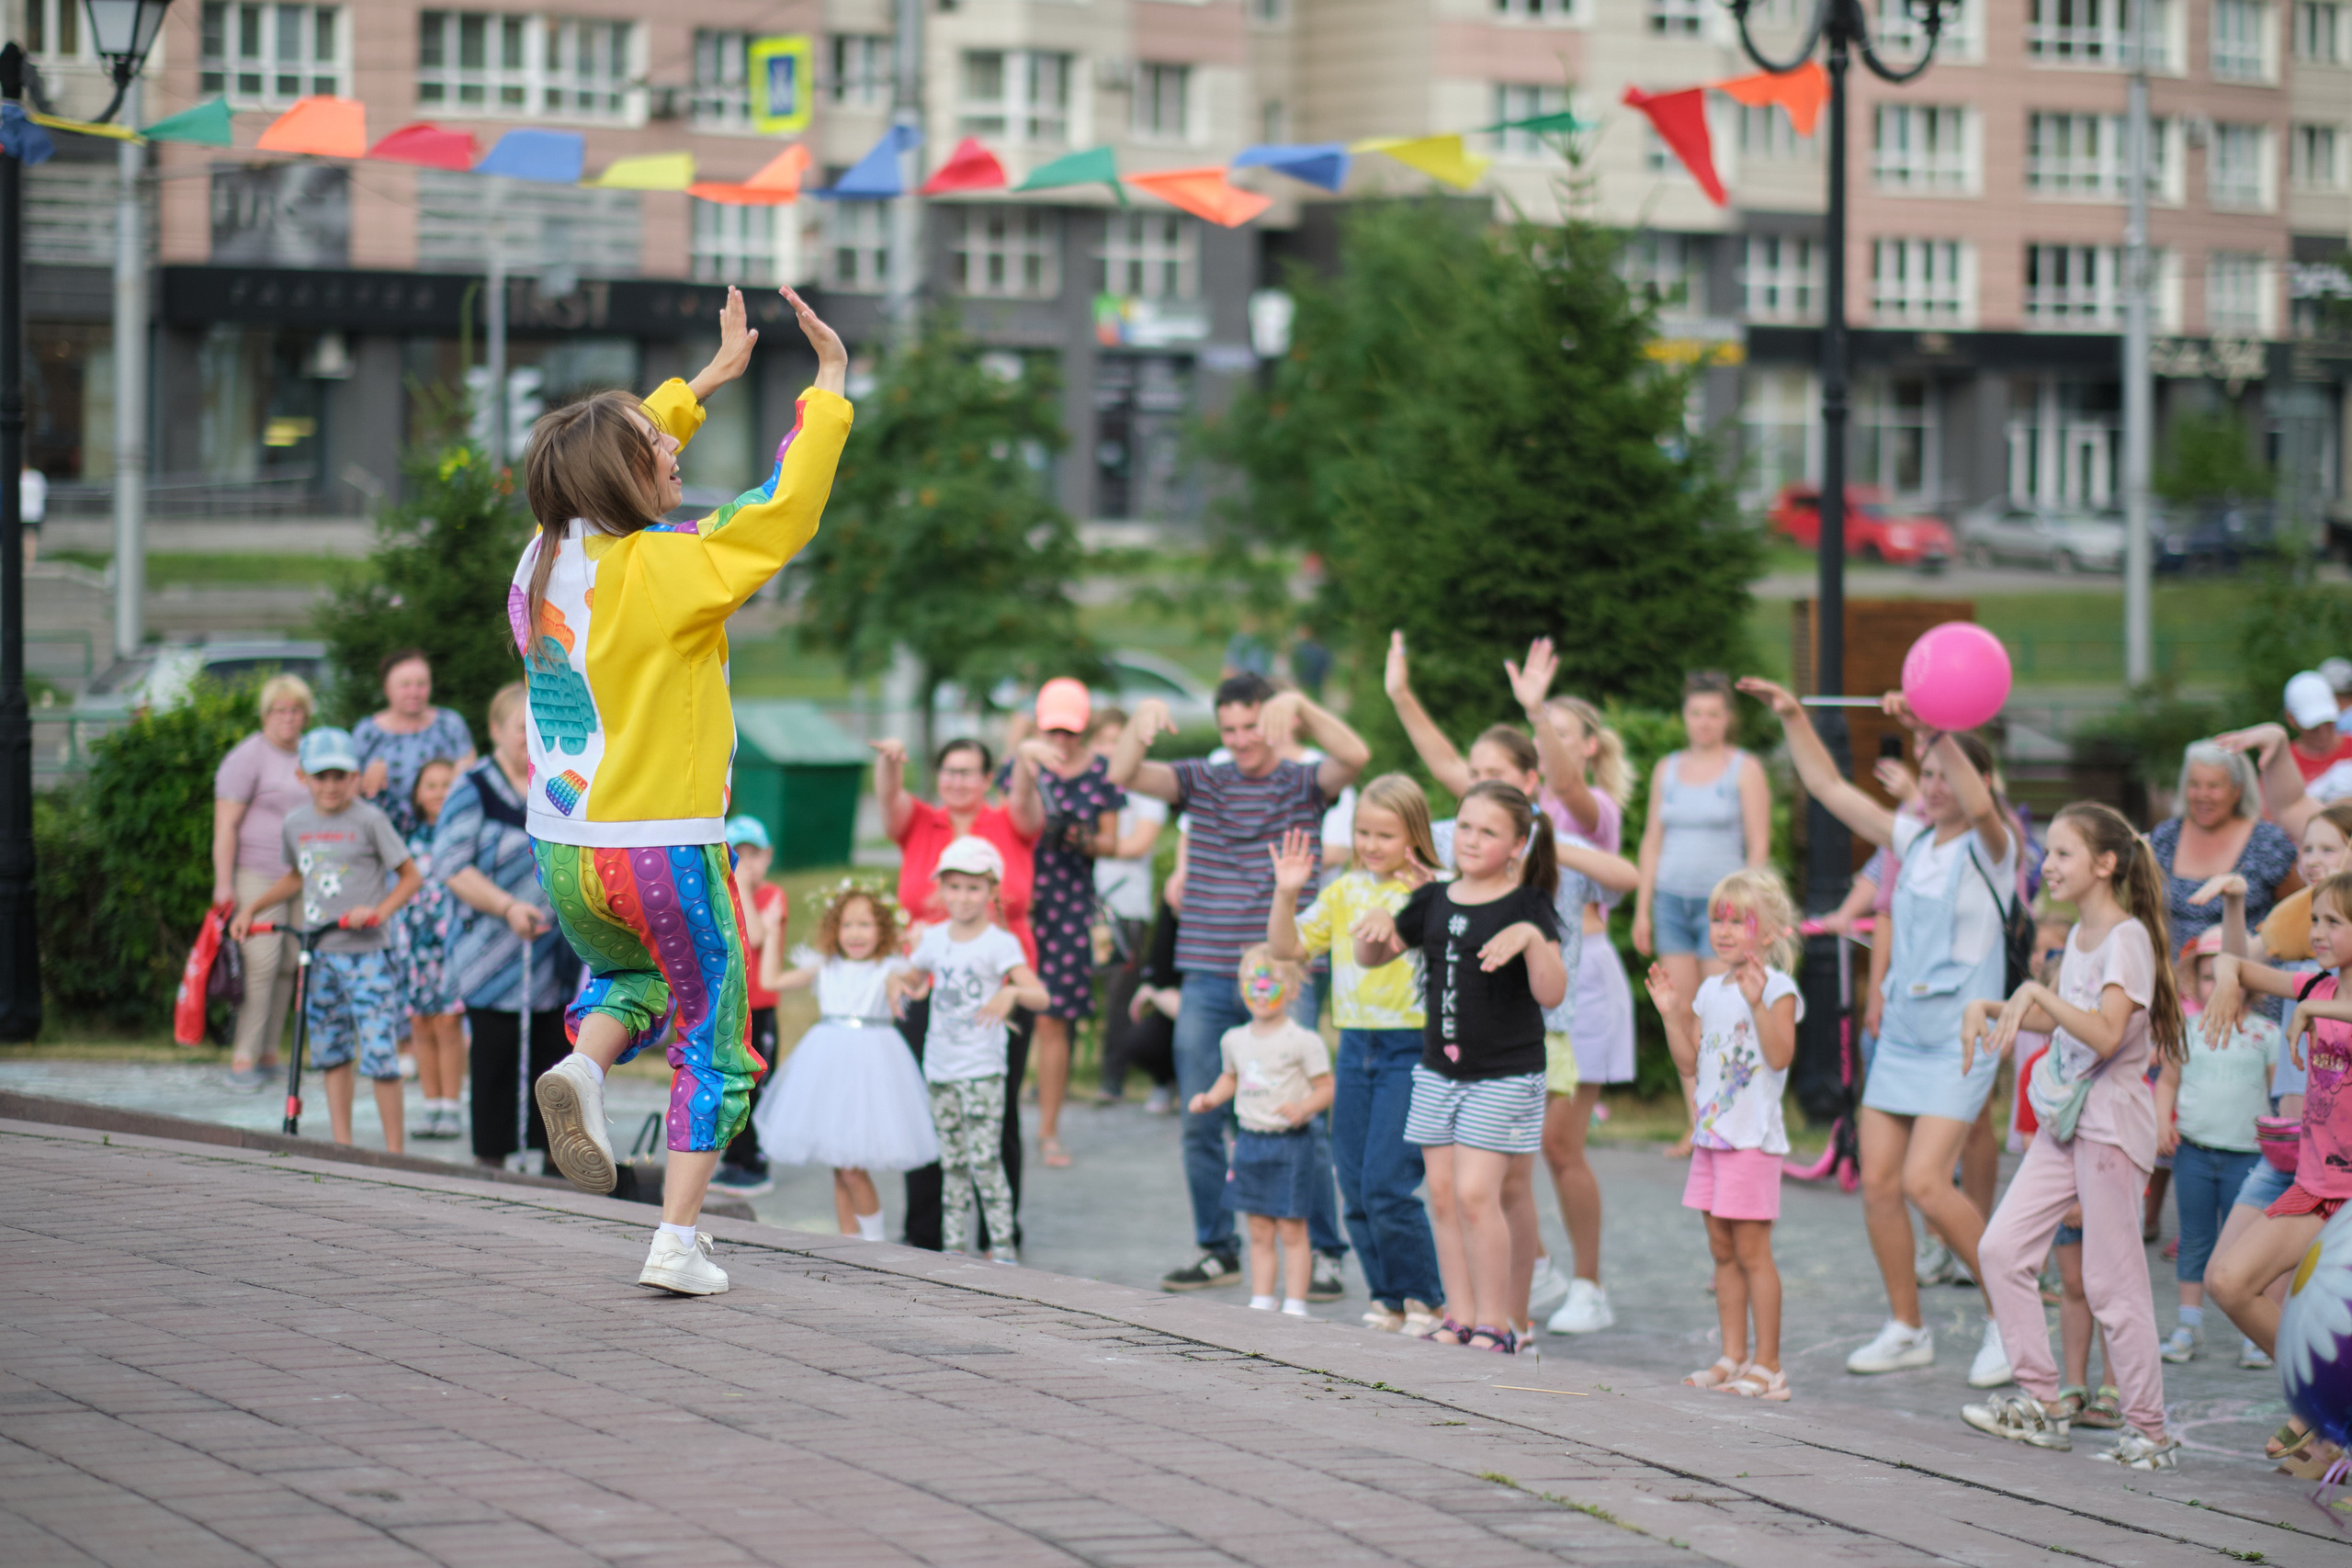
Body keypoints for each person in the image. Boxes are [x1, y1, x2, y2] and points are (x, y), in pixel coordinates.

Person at [515, 282, 849, 1296]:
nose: (675, 457)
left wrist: (699, 385)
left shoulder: (541, 559)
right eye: (661, 453)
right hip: (664, 844)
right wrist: (827, 388)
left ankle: (585, 1065)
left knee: (634, 978)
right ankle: (675, 1240)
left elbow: (599, 455)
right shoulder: (672, 567)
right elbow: (780, 510)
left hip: (567, 851)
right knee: (717, 1039)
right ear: (622, 477)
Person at [1739, 677, 2017, 1384]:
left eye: (1942, 771)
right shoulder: (1911, 837)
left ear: (1977, 776)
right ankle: (1906, 1326)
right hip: (1902, 1033)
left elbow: (1979, 802)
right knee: (1880, 1184)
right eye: (1922, 774)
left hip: (1963, 1036)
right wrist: (1794, 716)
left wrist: (1937, 726)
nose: (1931, 784)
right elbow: (1830, 787)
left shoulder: (1995, 846)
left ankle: (2011, 1322)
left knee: (1928, 1182)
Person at [1385, 633, 1640, 1333]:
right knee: (1486, 1185)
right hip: (1485, 1028)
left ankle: (1547, 1298)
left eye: (1494, 772)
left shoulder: (1570, 817)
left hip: (1556, 1013)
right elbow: (1441, 771)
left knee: (1538, 1164)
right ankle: (1496, 1310)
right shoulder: (1477, 832)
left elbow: (1567, 795)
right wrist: (1401, 694)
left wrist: (1534, 719)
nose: (1470, 783)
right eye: (1472, 775)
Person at [1106, 675, 1370, 1297]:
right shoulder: (1203, 779)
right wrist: (1140, 720)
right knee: (1201, 1116)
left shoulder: (1303, 782)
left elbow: (1356, 756)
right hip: (1205, 970)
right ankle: (1216, 1248)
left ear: (1274, 724)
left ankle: (1326, 1254)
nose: (1241, 740)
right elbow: (1124, 775)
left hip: (1283, 972)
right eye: (1230, 729)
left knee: (1297, 1114)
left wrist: (1302, 704)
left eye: (1253, 726)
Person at [1962, 802, 2185, 1471]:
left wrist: (2034, 989)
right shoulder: (2083, 941)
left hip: (2111, 1126)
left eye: (2062, 853)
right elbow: (2063, 1023)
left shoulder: (2128, 939)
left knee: (2112, 1281)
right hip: (2065, 1119)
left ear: (2105, 863)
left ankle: (2149, 1430)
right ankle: (2041, 1400)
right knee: (2000, 1248)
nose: (2047, 865)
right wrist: (1994, 1006)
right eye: (2047, 852)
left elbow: (2107, 1033)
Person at [1354, 782, 1567, 1356]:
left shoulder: (1528, 906)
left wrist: (1529, 938)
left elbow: (1551, 992)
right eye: (1466, 827)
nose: (1472, 840)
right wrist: (1373, 929)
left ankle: (1500, 1323)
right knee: (1444, 1196)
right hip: (1437, 1072)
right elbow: (1374, 957)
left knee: (1478, 1194)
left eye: (1489, 831)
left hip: (1504, 1075)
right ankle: (1461, 1314)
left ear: (1519, 844)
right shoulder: (1434, 899)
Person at [1268, 779, 1445, 1336]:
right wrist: (1286, 894)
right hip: (1355, 1047)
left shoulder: (1435, 888)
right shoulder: (1344, 890)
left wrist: (1425, 901)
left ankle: (1427, 1299)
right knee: (1354, 1181)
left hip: (1410, 1047)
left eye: (1385, 834)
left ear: (1414, 834)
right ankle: (1388, 1298)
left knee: (1388, 1182)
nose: (1370, 843)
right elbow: (1285, 948)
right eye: (1362, 832)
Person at [2203, 869, 2352, 1467]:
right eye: (2314, 919)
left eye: (2333, 922)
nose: (2316, 931)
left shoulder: (2325, 1000)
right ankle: (2324, 1400)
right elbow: (2235, 964)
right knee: (2228, 1280)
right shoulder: (2315, 984)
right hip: (2315, 1186)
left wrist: (2326, 1014)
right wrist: (2223, 982)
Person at [876, 733, 1038, 1251]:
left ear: (988, 779)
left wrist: (1029, 764)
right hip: (930, 981)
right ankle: (927, 1233)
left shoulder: (1008, 821)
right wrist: (890, 763)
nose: (957, 780)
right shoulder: (923, 820)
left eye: (969, 771)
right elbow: (888, 800)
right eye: (949, 770)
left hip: (999, 983)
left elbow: (1030, 806)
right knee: (928, 1101)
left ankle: (1000, 1231)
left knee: (998, 1108)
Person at [1647, 867, 1804, 1402]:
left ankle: (1770, 1365)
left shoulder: (1777, 988)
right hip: (1713, 1139)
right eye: (1718, 919)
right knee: (1721, 1252)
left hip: (1751, 1141)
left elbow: (1781, 1055)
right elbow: (1690, 1060)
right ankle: (1733, 1357)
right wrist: (1671, 1016)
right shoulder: (1711, 989)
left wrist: (1758, 1003)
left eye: (1739, 921)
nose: (1724, 930)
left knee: (1753, 1252)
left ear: (1771, 931)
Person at [231, 727, 424, 1150]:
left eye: (340, 776)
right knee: (331, 1054)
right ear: (304, 778)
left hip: (368, 955)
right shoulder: (296, 824)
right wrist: (251, 908)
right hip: (318, 956)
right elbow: (298, 876)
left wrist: (378, 913)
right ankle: (343, 1148)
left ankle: (396, 1154)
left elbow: (410, 877)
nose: (331, 785)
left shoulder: (370, 820)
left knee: (380, 1056)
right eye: (322, 776)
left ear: (354, 777)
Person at [889, 837, 1050, 1260]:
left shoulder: (1000, 944)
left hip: (982, 1071)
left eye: (974, 887)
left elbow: (1042, 997)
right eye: (954, 886)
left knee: (985, 1163)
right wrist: (895, 978)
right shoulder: (936, 939)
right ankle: (954, 1251)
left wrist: (1012, 992)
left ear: (992, 891)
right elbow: (913, 977)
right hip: (940, 1069)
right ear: (941, 889)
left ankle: (1003, 1250)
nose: (962, 897)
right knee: (952, 1165)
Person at [435, 682, 574, 1169]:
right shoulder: (471, 787)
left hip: (556, 957)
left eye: (538, 728)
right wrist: (507, 906)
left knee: (557, 1063)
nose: (530, 737)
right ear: (496, 731)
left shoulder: (556, 784)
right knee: (494, 1062)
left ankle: (558, 1163)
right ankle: (491, 1166)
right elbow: (451, 864)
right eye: (521, 728)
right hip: (492, 954)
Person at [1634, 671, 1772, 1158]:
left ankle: (1726, 1116)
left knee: (1719, 1014)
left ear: (1727, 719)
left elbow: (1758, 842)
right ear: (1685, 717)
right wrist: (1643, 908)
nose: (1704, 723)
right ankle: (1695, 1123)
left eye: (1714, 714)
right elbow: (1652, 839)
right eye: (1696, 713)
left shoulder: (1744, 768)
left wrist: (1751, 909)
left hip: (1724, 910)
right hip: (1672, 900)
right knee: (1680, 1011)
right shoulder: (1667, 769)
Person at [752, 884, 934, 1237]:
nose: (855, 933)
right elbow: (770, 979)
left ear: (883, 928)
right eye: (847, 924)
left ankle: (876, 1242)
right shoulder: (825, 966)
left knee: (851, 1167)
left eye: (865, 924)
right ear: (834, 929)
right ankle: (850, 1242)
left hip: (871, 1065)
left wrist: (920, 944)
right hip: (828, 1065)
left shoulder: (889, 969)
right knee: (839, 1166)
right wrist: (773, 929)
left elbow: (918, 980)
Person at [1005, 678, 1124, 1168]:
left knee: (1055, 1020)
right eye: (1052, 729)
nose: (1061, 740)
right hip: (1021, 902)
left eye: (1069, 731)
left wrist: (1083, 839)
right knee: (1008, 1016)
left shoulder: (1102, 773)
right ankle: (1006, 1122)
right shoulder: (1021, 764)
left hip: (1071, 902)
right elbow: (1003, 819)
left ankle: (1049, 1128)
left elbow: (1113, 842)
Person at [1189, 946, 1336, 1316]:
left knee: (1291, 1229)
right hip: (1250, 1142)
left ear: (1292, 989)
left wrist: (1303, 1108)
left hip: (1290, 1144)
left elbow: (1327, 1087)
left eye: (1270, 983)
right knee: (1258, 1230)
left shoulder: (1303, 1041)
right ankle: (1261, 1300)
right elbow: (1230, 1077)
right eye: (1252, 982)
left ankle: (1296, 1303)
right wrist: (1210, 1099)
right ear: (1241, 987)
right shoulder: (1235, 1039)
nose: (1260, 991)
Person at [2156, 930, 2276, 1366]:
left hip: (2249, 1157)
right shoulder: (2187, 1031)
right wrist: (2160, 1121)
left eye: (2227, 977)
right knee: (2195, 1238)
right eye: (2208, 978)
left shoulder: (2267, 1034)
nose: (2219, 986)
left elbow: (2278, 1093)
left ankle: (2253, 1330)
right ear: (2195, 984)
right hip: (2193, 1152)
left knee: (2247, 1246)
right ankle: (2189, 1323)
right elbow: (2167, 1081)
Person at [210, 674, 316, 1091]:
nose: (288, 718)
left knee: (292, 963)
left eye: (296, 711)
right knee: (261, 963)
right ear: (266, 714)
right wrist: (224, 883)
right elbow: (226, 825)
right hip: (257, 873)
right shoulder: (247, 757)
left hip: (303, 875)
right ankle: (242, 1058)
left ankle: (271, 1054)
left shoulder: (310, 753)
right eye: (280, 710)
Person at [2150, 741, 2297, 948]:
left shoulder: (2267, 841)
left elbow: (2295, 909)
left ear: (2237, 791)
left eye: (2214, 786)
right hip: (2173, 971)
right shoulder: (2165, 836)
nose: (2202, 795)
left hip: (2246, 970)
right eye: (2194, 785)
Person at [711, 816, 786, 1198]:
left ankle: (754, 1162)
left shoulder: (771, 896)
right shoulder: (719, 893)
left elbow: (754, 936)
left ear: (768, 857)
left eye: (755, 855)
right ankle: (735, 1158)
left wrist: (740, 883)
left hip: (760, 1010)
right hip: (730, 1007)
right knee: (729, 1079)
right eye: (738, 854)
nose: (747, 862)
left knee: (754, 1083)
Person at [398, 757, 465, 1138]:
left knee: (448, 1020)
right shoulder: (408, 835)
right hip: (413, 939)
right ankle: (431, 1105)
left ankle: (451, 1106)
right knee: (420, 1021)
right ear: (418, 794)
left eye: (446, 784)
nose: (439, 792)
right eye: (431, 785)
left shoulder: (460, 831)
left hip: (452, 939)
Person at [351, 649, 478, 838]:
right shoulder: (367, 732)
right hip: (383, 836)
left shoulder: (450, 724)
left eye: (421, 684)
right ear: (387, 688)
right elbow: (349, 791)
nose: (414, 692)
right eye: (405, 685)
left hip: (443, 832)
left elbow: (472, 775)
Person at [1089, 705, 1166, 967]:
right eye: (1101, 742)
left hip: (1127, 905)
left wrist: (1087, 846)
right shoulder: (1083, 785)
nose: (1109, 750)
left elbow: (1139, 843)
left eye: (1116, 742)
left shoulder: (1147, 788)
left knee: (1118, 996)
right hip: (1083, 902)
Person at [2280, 671, 2352, 801]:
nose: (2323, 731)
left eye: (2328, 722)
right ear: (2291, 719)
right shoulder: (2282, 764)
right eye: (2313, 726)